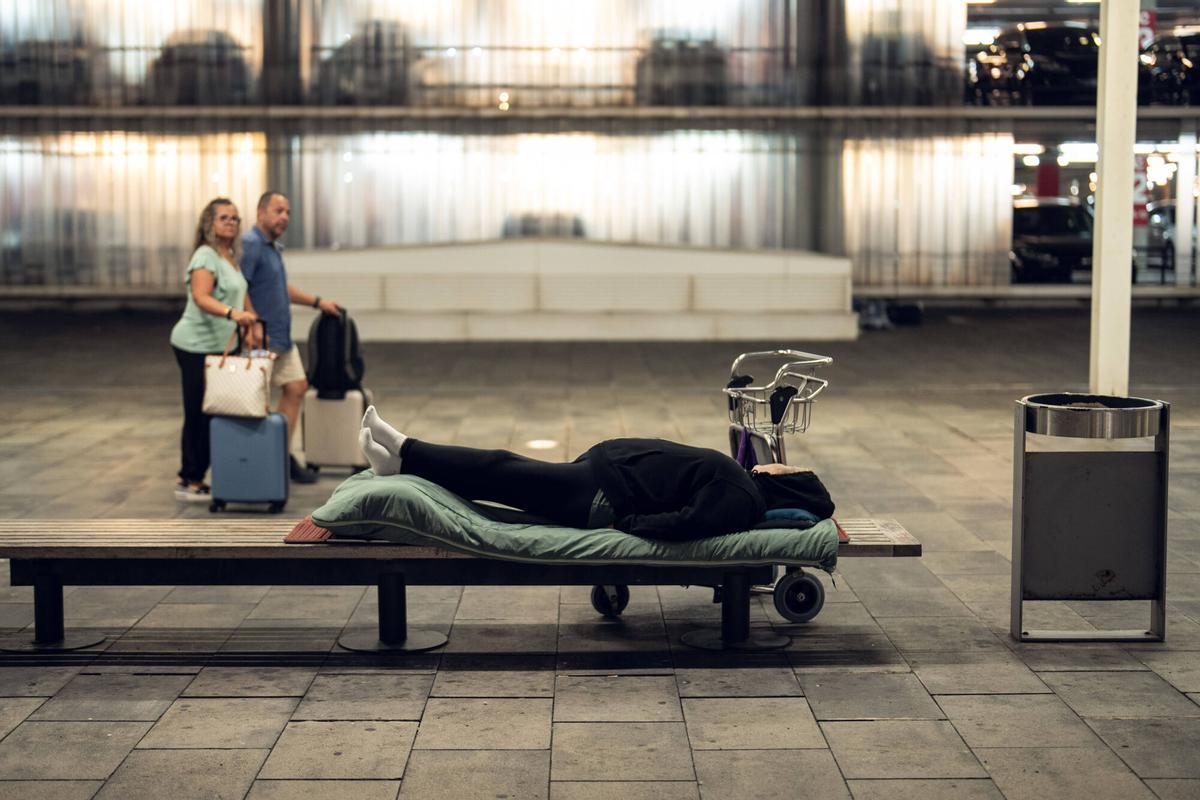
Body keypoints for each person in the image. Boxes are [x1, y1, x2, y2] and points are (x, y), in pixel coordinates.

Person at [358, 406, 835, 541]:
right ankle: (399, 458)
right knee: (502, 471)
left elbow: (690, 525)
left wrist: (628, 527)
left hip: (605, 498)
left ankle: (402, 452)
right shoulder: (741, 483)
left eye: (789, 467)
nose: (777, 459)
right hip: (604, 476)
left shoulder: (744, 498)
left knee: (499, 470)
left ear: (784, 480)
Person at [242, 190, 342, 484]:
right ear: (261, 213)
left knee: (297, 387)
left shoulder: (272, 247)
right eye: (278, 211)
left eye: (287, 212)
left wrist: (317, 302)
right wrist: (252, 324)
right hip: (261, 339)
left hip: (280, 336)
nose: (284, 217)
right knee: (255, 404)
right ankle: (258, 464)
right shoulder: (251, 244)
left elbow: (281, 288)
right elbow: (240, 286)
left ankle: (280, 456)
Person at [168, 198, 260, 502]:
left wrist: (252, 324)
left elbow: (242, 292)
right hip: (195, 345)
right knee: (197, 411)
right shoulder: (205, 256)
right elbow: (201, 297)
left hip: (222, 347)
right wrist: (234, 315)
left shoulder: (230, 256)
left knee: (215, 411)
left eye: (235, 218)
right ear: (209, 223)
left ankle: (202, 473)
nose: (231, 223)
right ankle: (188, 478)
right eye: (224, 218)